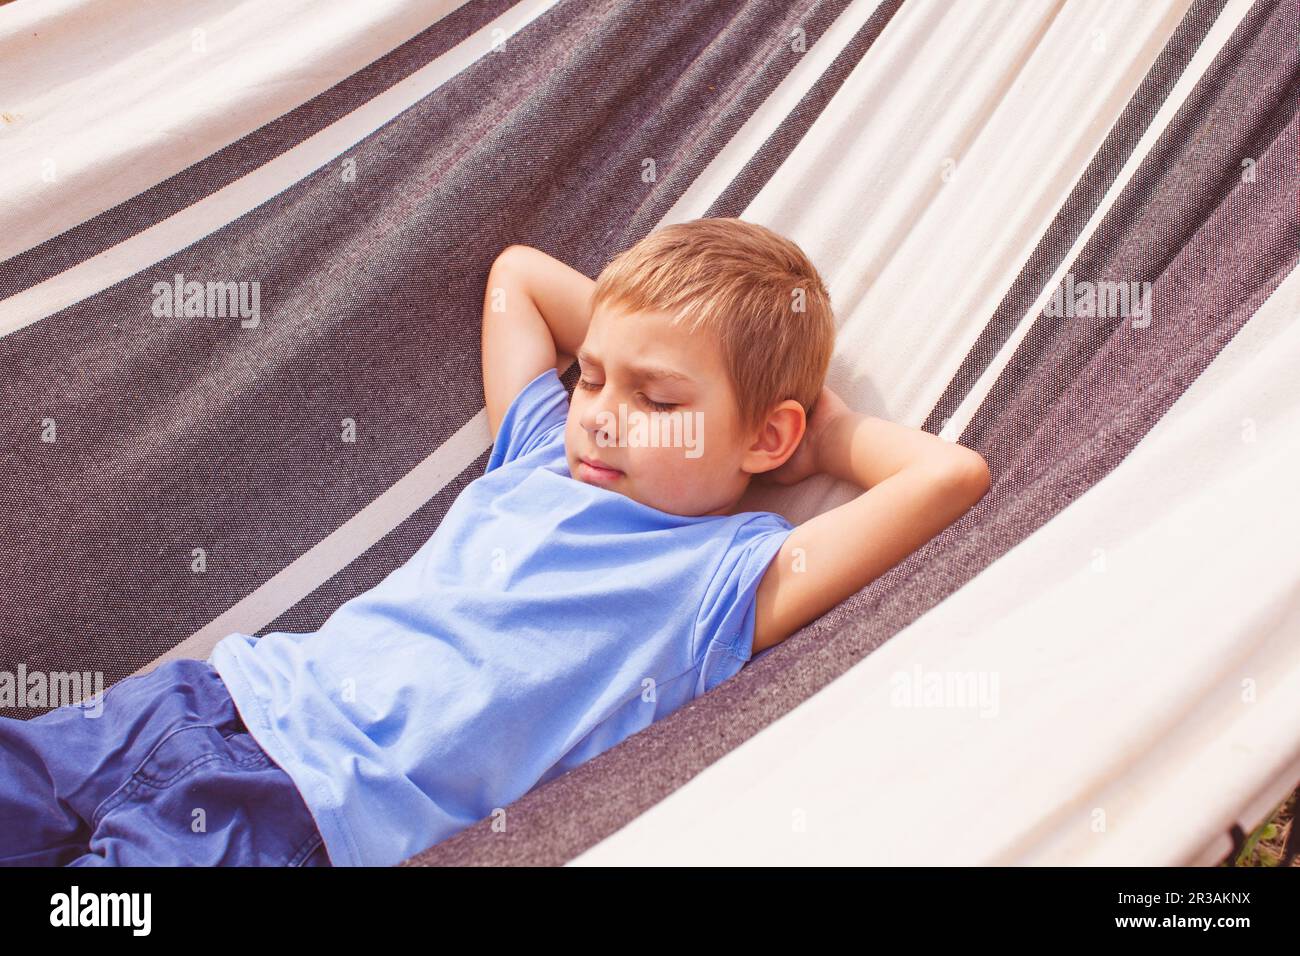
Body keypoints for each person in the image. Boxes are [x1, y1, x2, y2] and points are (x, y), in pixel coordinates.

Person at [0, 217, 989, 867]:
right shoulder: (537, 454)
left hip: (296, 809)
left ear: (766, 435)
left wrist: (823, 433)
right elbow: (516, 278)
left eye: (657, 398)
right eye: (592, 376)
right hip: (203, 697)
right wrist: (642, 335)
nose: (598, 414)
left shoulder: (720, 580)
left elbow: (948, 476)